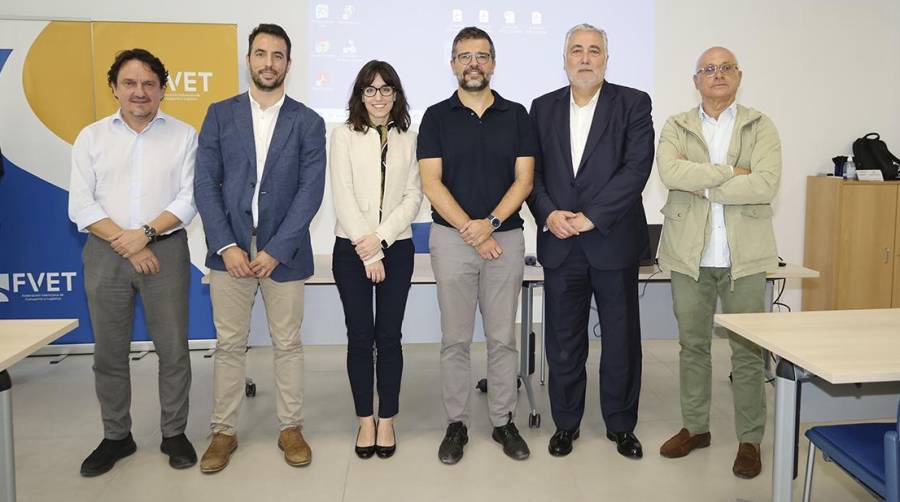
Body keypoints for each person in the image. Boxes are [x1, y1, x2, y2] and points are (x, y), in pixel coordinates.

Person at [193, 23, 326, 473]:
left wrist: (276, 248)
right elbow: (205, 184)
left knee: (287, 343)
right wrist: (226, 244)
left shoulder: (307, 121)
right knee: (230, 344)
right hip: (228, 250)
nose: (268, 63)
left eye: (278, 55)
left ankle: (291, 427)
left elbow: (311, 191)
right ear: (248, 59)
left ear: (289, 63)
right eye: (260, 54)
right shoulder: (219, 114)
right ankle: (222, 432)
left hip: (282, 253)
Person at [68, 48, 198, 476]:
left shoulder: (183, 136)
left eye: (148, 83)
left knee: (174, 349)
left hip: (165, 250)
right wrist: (127, 242)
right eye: (129, 83)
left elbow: (188, 198)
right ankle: (116, 436)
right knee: (108, 351)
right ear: (114, 89)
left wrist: (144, 235)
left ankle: (174, 432)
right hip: (105, 252)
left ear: (163, 89)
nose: (139, 91)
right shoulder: (91, 137)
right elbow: (81, 205)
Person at [527, 23, 654, 460]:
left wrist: (591, 218)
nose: (585, 58)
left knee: (620, 341)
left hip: (612, 241)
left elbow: (636, 170)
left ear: (606, 58)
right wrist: (548, 213)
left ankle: (621, 426)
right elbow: (533, 175)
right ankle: (566, 424)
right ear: (565, 59)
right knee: (563, 341)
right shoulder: (541, 108)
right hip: (560, 243)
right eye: (576, 50)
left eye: (594, 51)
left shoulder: (633, 103)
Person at [656, 46, 782, 479]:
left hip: (743, 259)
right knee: (693, 347)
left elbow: (765, 184)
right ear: (696, 81)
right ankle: (696, 428)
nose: (717, 74)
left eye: (725, 67)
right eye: (708, 69)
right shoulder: (676, 125)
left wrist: (705, 182)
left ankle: (750, 440)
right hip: (688, 256)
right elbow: (672, 175)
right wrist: (733, 174)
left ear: (738, 75)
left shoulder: (759, 125)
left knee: (748, 354)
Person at [418, 26, 536, 464]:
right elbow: (431, 182)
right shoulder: (435, 116)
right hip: (452, 239)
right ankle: (457, 424)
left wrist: (488, 224)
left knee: (503, 338)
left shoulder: (517, 114)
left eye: (482, 55)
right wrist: (471, 229)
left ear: (493, 62)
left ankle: (503, 421)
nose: (474, 63)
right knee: (455, 339)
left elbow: (524, 179)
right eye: (465, 56)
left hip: (504, 237)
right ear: (453, 65)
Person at [329, 60, 423, 459]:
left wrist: (380, 242)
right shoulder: (342, 135)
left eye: (386, 90)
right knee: (360, 337)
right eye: (370, 90)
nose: (379, 97)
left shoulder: (410, 137)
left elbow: (413, 196)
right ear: (359, 95)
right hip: (350, 249)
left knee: (389, 337)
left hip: (397, 249)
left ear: (396, 95)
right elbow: (342, 194)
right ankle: (365, 419)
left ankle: (388, 420)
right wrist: (366, 248)